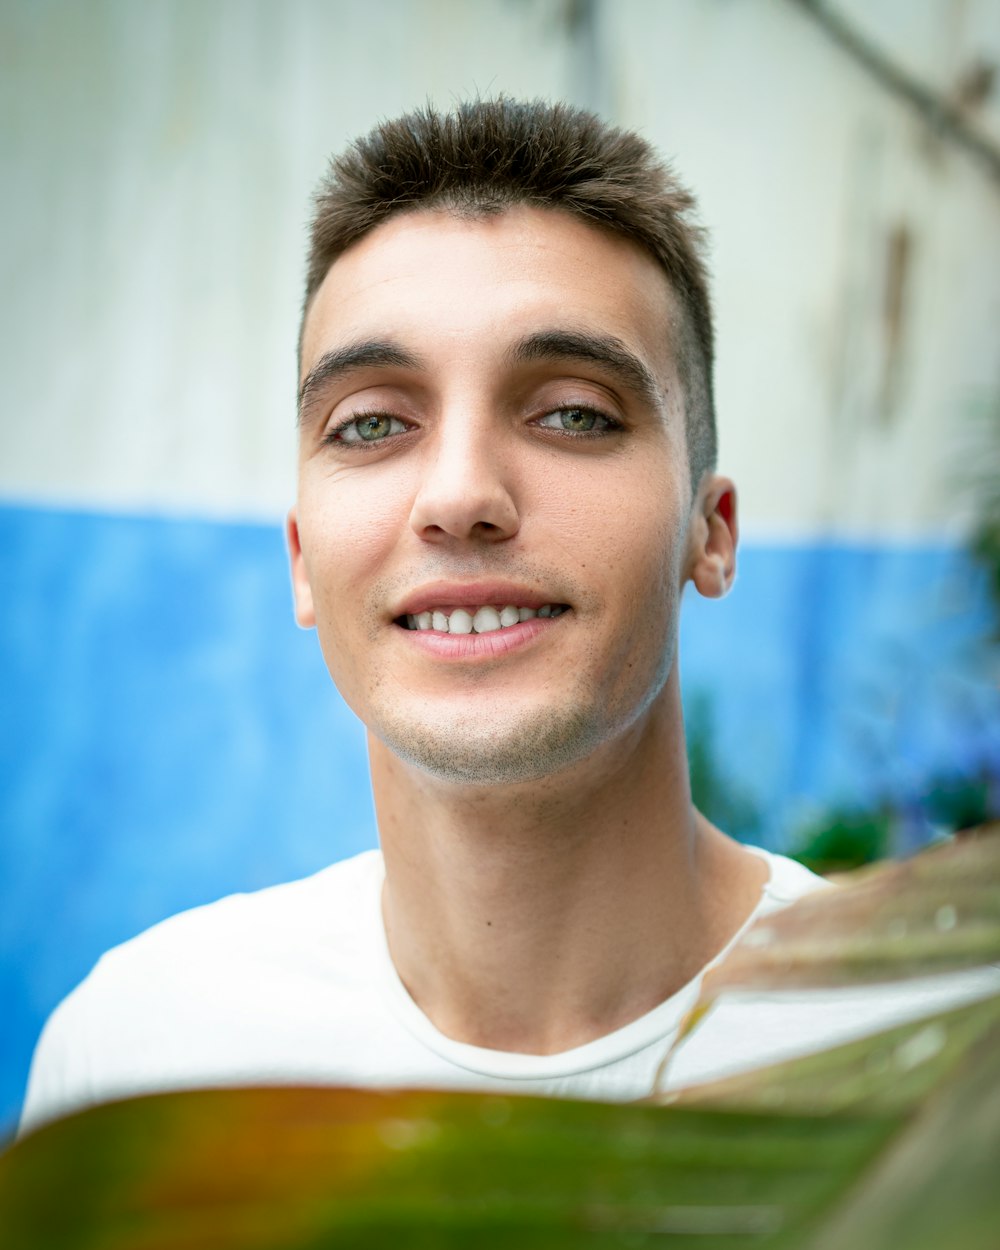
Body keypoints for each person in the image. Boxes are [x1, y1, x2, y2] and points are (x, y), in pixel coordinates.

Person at [20, 100, 993, 1135]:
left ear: (708, 534)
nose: (458, 494)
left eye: (572, 411)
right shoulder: (141, 1061)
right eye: (373, 422)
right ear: (303, 560)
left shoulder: (937, 1068)